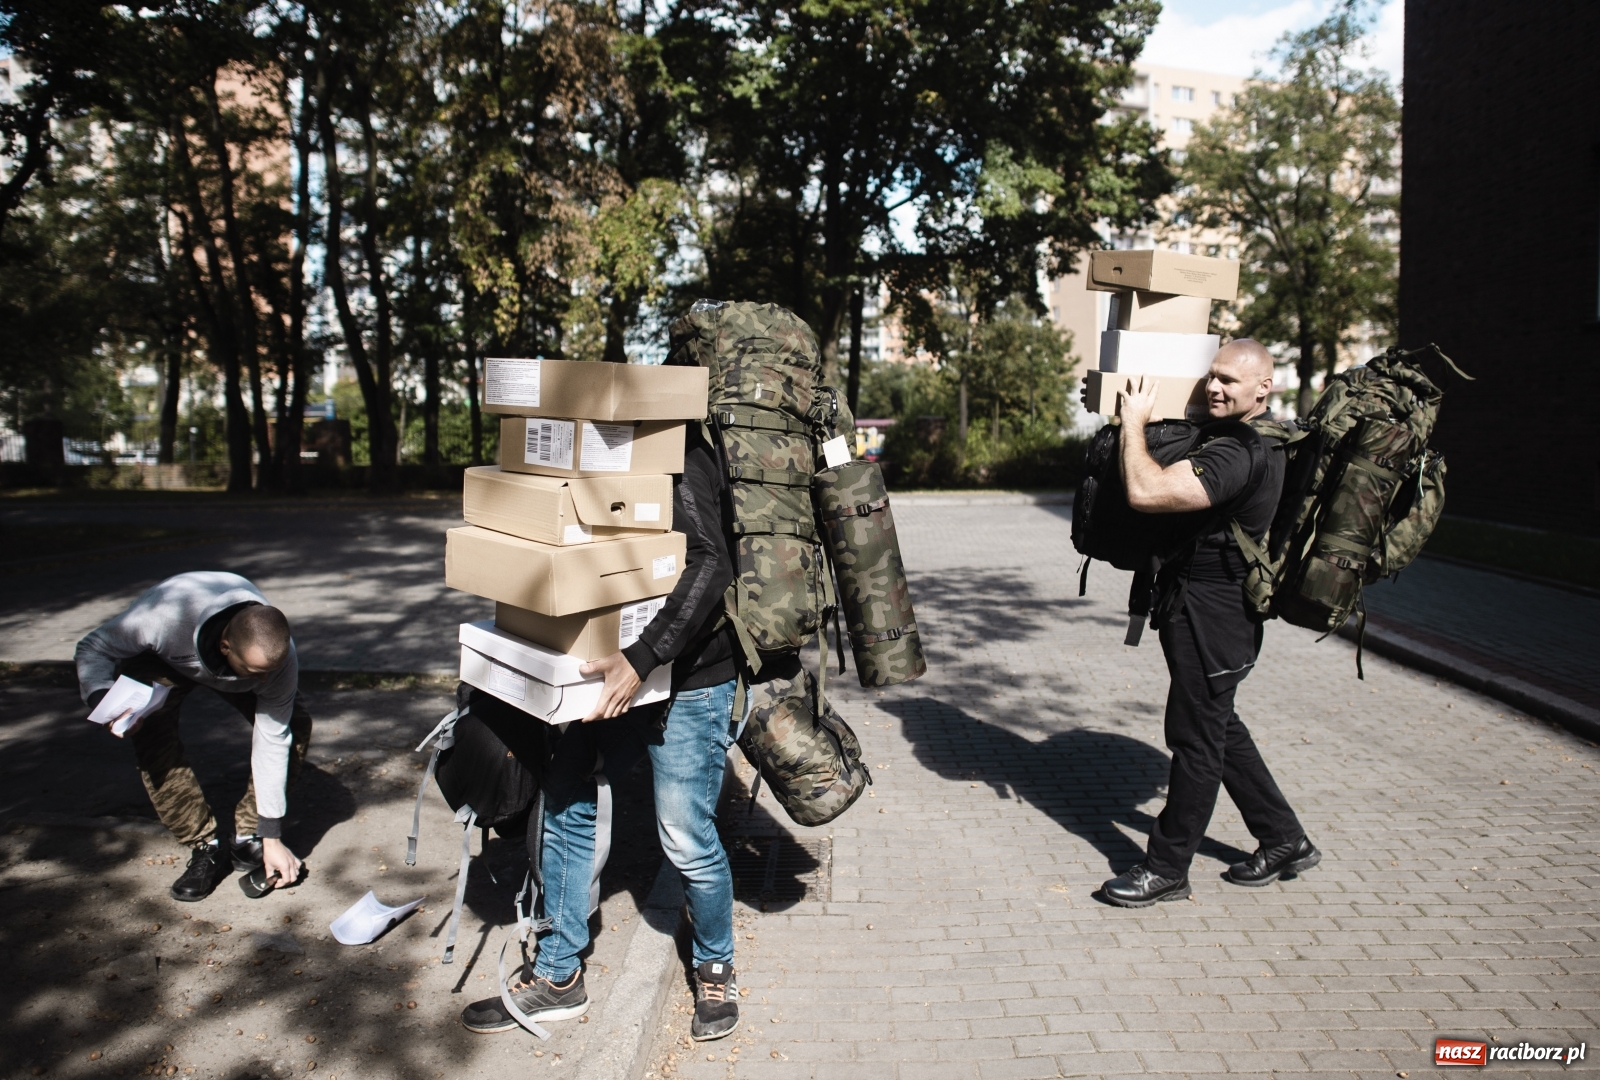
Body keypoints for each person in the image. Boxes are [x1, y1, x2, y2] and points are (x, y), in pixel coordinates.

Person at [460, 416, 745, 1042]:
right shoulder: (573, 452)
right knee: (563, 802)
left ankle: (715, 963)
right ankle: (560, 974)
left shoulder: (681, 451)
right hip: (595, 666)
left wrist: (642, 660)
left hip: (688, 675)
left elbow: (710, 565)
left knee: (684, 833)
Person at [1100, 338, 1320, 907]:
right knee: (1220, 725)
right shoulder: (1263, 439)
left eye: (1230, 380)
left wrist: (1134, 424)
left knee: (1195, 739)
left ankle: (1167, 867)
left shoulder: (1237, 452)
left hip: (1211, 615)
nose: (1214, 387)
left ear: (1263, 389)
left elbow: (1147, 491)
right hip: (1221, 612)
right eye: (1212, 376)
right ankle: (1284, 838)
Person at [75, 571, 311, 902]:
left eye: (273, 670)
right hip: (166, 657)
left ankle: (248, 837)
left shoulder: (278, 664)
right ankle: (204, 845)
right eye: (260, 672)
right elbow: (92, 647)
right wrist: (100, 696)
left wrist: (271, 835)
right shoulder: (161, 620)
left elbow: (271, 741)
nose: (269, 678)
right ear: (226, 647)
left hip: (231, 666)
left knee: (295, 726)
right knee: (153, 736)